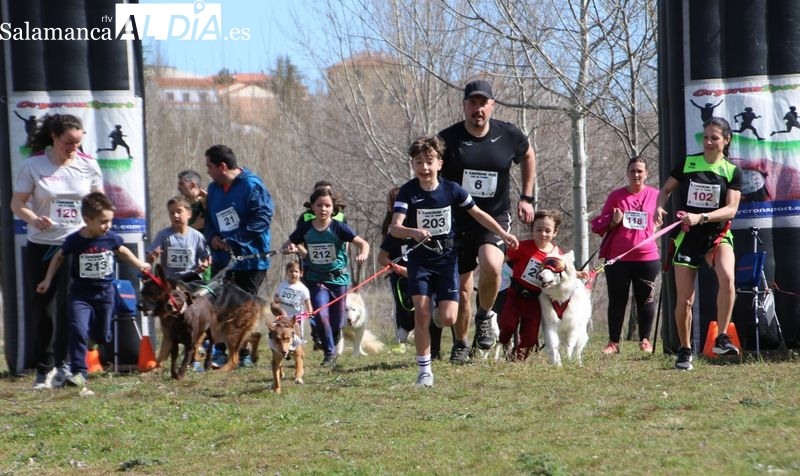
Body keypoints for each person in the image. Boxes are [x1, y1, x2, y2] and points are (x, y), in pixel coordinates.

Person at [389, 135, 518, 388]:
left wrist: (502, 233)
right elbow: (395, 228)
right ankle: (424, 372)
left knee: (448, 318)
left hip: (447, 260)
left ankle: (439, 306)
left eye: (429, 162)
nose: (424, 168)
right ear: (413, 165)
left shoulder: (452, 189)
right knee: (422, 315)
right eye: (418, 162)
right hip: (420, 260)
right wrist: (413, 232)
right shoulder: (408, 191)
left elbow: (479, 213)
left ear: (439, 163)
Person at [438, 79, 536, 364]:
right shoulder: (447, 139)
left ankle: (485, 315)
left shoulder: (509, 135)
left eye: (483, 104)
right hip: (457, 220)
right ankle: (460, 343)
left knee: (492, 265)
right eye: (473, 103)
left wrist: (527, 196)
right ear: (464, 106)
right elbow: (429, 167)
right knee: (463, 289)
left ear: (492, 106)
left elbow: (528, 154)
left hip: (494, 217)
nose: (478, 109)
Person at [10, 113, 104, 390]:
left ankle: (68, 365)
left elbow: (99, 204)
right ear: (54, 137)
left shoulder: (88, 166)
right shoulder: (34, 165)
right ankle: (44, 368)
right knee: (45, 308)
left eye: (78, 141)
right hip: (44, 245)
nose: (74, 147)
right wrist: (32, 218)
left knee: (73, 307)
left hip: (77, 245)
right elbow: (17, 203)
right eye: (68, 142)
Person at [35, 192, 151, 395]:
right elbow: (59, 257)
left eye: (110, 221)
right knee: (78, 329)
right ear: (87, 220)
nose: (107, 225)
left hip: (105, 294)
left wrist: (140, 265)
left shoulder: (110, 238)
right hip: (80, 294)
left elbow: (122, 251)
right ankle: (79, 373)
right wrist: (47, 279)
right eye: (103, 221)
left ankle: (93, 340)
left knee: (103, 335)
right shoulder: (75, 240)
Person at [655, 117, 743, 370]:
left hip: (717, 236)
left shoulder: (732, 171)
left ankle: (722, 337)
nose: (708, 142)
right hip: (687, 238)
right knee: (685, 300)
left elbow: (731, 209)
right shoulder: (688, 163)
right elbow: (666, 190)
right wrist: (659, 208)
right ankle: (684, 351)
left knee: (727, 277)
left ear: (726, 140)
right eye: (705, 137)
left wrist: (701, 217)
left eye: (714, 138)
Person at [204, 144, 274, 368]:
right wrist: (213, 237)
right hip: (222, 259)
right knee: (217, 305)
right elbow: (209, 219)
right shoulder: (214, 189)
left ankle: (242, 353)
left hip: (250, 260)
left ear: (222, 166)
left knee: (242, 309)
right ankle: (219, 351)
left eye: (210, 166)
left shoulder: (252, 186)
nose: (208, 171)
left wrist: (234, 240)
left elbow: (263, 218)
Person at [284, 188, 370, 367]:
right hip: (315, 279)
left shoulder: (339, 227)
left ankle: (335, 335)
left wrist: (363, 252)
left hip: (338, 280)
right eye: (319, 205)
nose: (323, 209)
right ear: (312, 208)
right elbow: (289, 242)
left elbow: (363, 243)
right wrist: (290, 247)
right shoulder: (306, 228)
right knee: (321, 316)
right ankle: (329, 354)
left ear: (333, 208)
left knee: (336, 321)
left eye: (327, 205)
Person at [591, 157, 660, 354]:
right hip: (618, 259)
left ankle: (645, 340)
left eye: (640, 171)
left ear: (646, 173)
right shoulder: (616, 196)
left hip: (647, 258)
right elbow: (598, 225)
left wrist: (659, 221)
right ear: (627, 173)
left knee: (646, 299)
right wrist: (613, 220)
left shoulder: (656, 195)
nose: (636, 175)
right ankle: (613, 342)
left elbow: (664, 218)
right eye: (632, 171)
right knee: (617, 300)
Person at [378, 187, 444, 358]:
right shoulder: (392, 232)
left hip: (424, 275)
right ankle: (401, 339)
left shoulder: (424, 228)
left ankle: (434, 351)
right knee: (406, 313)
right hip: (401, 279)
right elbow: (382, 258)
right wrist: (399, 269)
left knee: (428, 311)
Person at [498, 210, 563, 361]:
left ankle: (517, 360)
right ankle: (504, 342)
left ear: (555, 232)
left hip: (536, 301)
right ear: (532, 229)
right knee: (507, 325)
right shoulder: (522, 247)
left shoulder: (556, 254)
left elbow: (564, 271)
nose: (543, 234)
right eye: (538, 230)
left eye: (548, 231)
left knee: (530, 337)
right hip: (515, 295)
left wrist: (579, 274)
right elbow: (503, 258)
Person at [146, 196, 210, 280]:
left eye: (179, 212)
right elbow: (149, 257)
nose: (175, 216)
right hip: (170, 282)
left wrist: (204, 264)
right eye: (172, 213)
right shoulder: (163, 235)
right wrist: (152, 257)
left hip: (192, 280)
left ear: (189, 214)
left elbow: (206, 258)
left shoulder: (197, 236)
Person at [272, 260, 313, 341]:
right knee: (282, 334)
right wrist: (276, 300)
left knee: (297, 336)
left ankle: (298, 349)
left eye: (296, 271)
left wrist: (310, 311)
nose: (293, 274)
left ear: (301, 273)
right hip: (283, 316)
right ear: (287, 272)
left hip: (296, 318)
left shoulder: (303, 288)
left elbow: (307, 301)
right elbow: (276, 296)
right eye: (291, 271)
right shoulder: (282, 284)